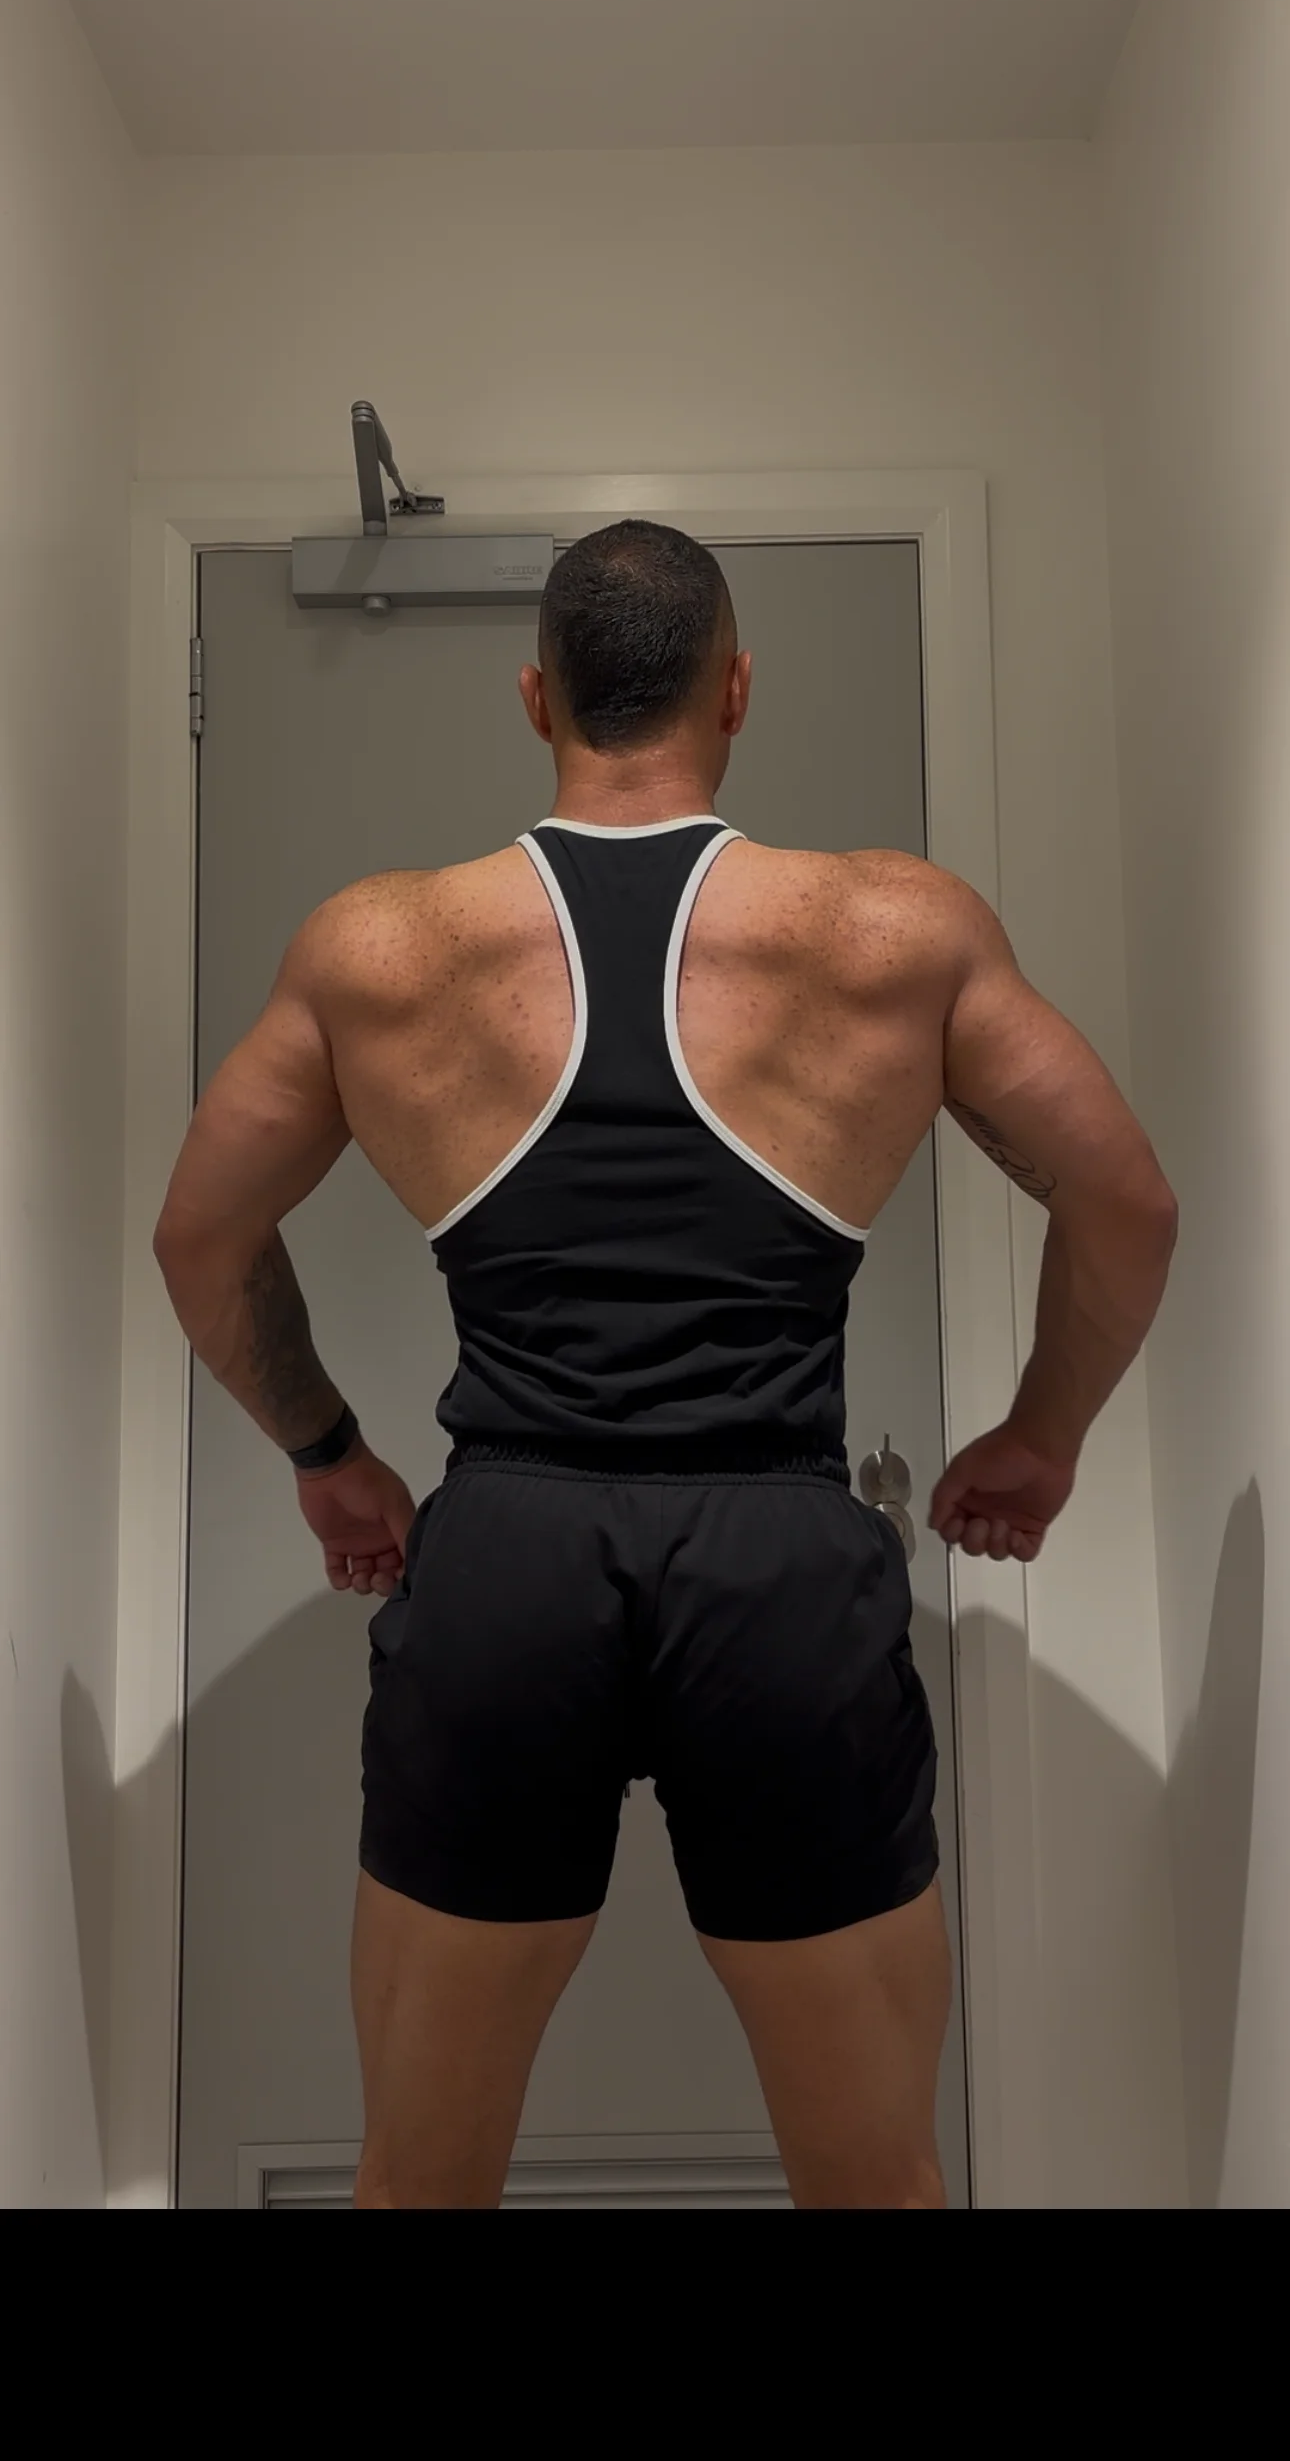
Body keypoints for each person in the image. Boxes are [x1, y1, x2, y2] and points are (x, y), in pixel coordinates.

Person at [154, 518, 1177, 2210]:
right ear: (737, 689)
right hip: (779, 1566)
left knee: (416, 2179)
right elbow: (1123, 1200)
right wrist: (1040, 1436)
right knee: (877, 2179)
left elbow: (201, 1235)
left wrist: (328, 1453)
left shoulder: (381, 949)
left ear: (535, 696)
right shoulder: (893, 931)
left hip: (506, 1564)